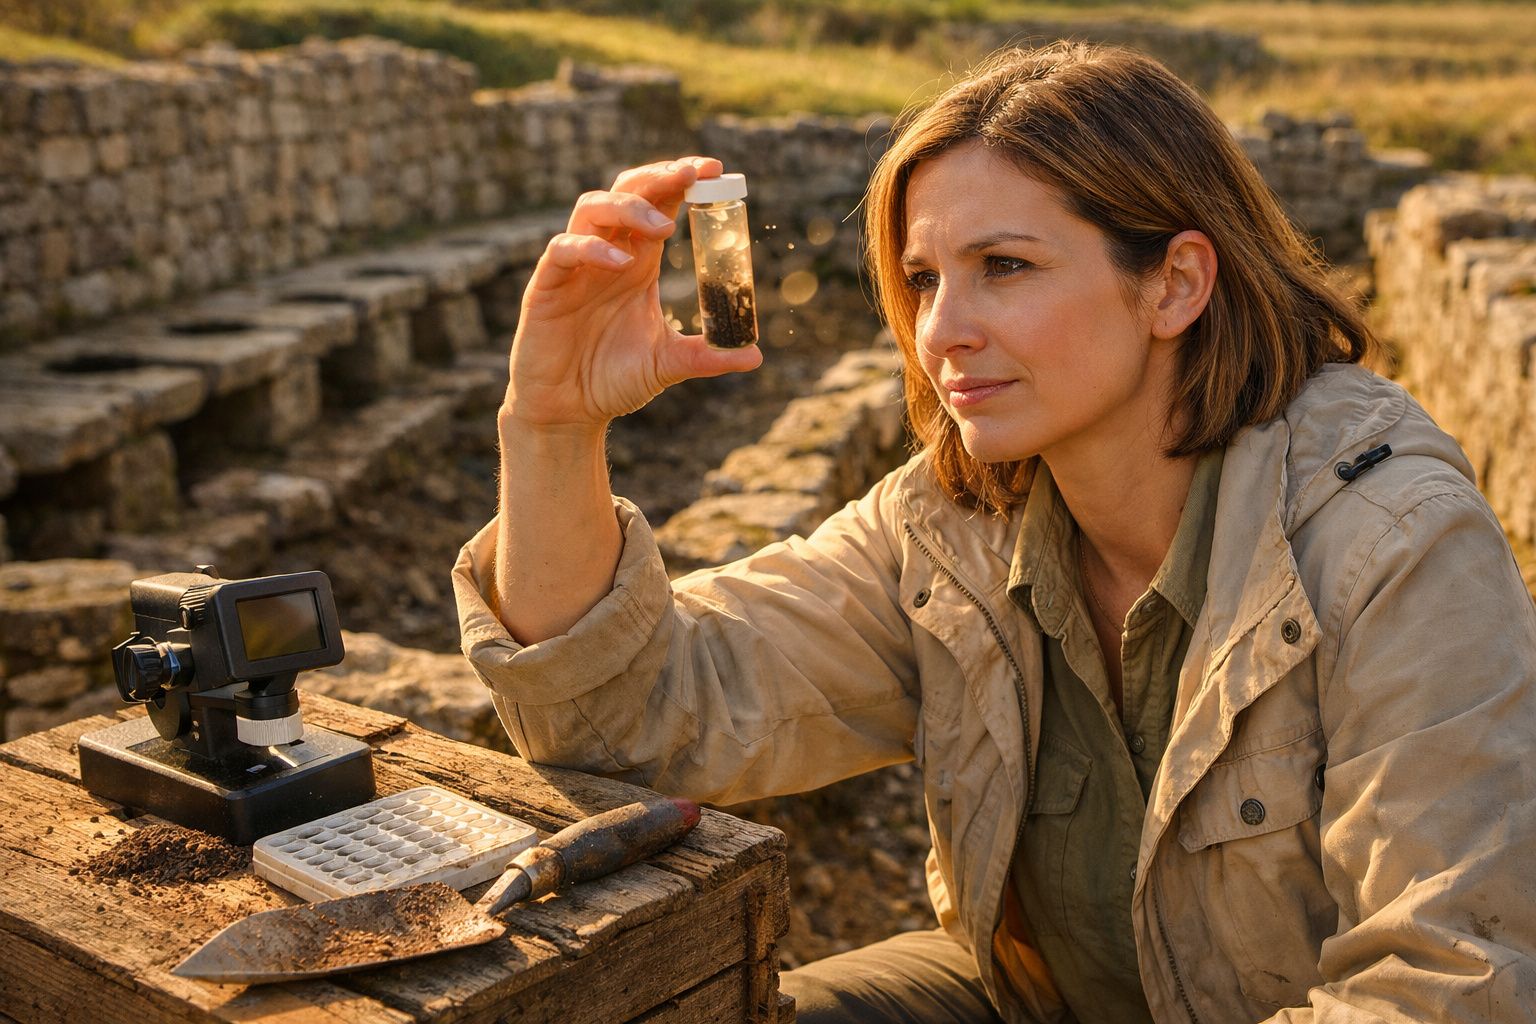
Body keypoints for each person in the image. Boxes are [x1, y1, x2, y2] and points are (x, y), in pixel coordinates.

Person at [452, 41, 1536, 1023]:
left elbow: (1450, 987)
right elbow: (632, 720)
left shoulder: (1393, 542)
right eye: (925, 278)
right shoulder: (954, 521)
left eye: (1004, 267)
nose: (940, 331)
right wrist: (550, 421)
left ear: (1176, 283)